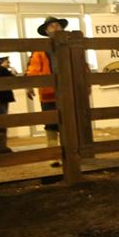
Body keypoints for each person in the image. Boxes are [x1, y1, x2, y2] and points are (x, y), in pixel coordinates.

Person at [26, 17, 68, 166]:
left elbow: (80, 63)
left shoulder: (69, 45)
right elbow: (33, 68)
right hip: (49, 93)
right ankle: (53, 155)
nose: (55, 28)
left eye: (57, 25)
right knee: (51, 124)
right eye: (51, 26)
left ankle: (69, 155)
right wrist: (29, 85)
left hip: (68, 91)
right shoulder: (40, 49)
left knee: (69, 122)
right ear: (46, 31)